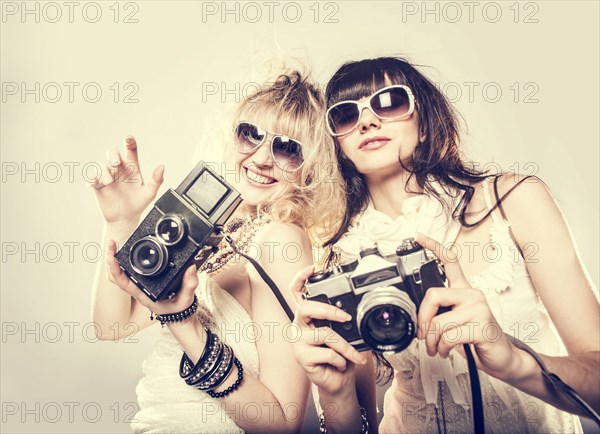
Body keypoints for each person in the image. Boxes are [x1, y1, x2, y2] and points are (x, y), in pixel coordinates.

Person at [290, 57, 599, 433]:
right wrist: (333, 394)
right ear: (339, 146)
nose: (368, 121)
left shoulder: (513, 202)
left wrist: (513, 361)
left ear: (424, 123)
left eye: (390, 102)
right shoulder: (342, 259)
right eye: (345, 115)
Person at [90, 69, 341, 433]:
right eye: (251, 134)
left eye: (287, 149)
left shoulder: (281, 240)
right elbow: (112, 325)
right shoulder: (220, 232)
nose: (261, 158)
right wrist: (120, 222)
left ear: (310, 169)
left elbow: (281, 423)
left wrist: (185, 324)